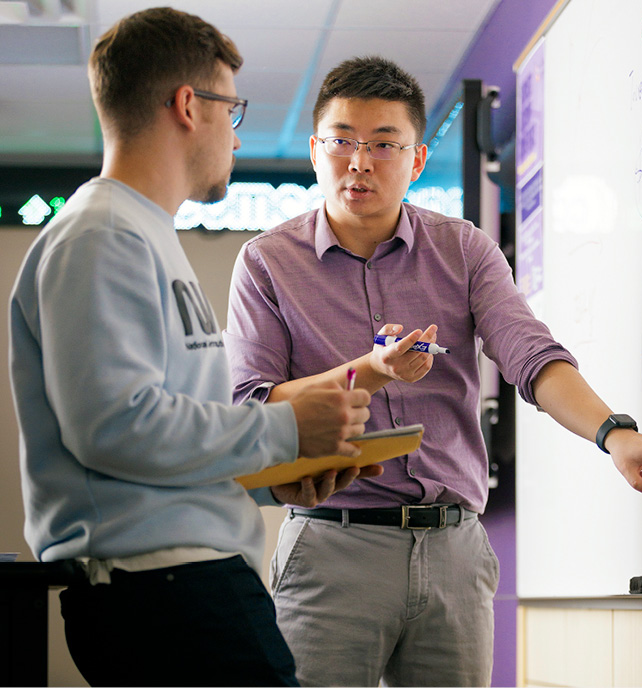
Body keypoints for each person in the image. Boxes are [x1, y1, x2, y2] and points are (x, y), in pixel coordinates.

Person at [224, 55, 642, 687]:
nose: (358, 162)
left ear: (415, 161)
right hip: (333, 546)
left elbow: (532, 355)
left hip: (453, 548)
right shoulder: (267, 264)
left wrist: (616, 434)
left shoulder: (463, 249)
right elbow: (254, 406)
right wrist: (372, 372)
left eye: (384, 144)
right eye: (341, 141)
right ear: (314, 150)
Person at [8, 9, 375, 687]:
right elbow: (115, 427)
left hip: (186, 586)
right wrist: (284, 427)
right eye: (229, 109)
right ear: (187, 105)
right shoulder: (102, 234)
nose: (234, 138)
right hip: (164, 595)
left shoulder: (143, 235)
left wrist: (271, 474)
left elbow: (161, 435)